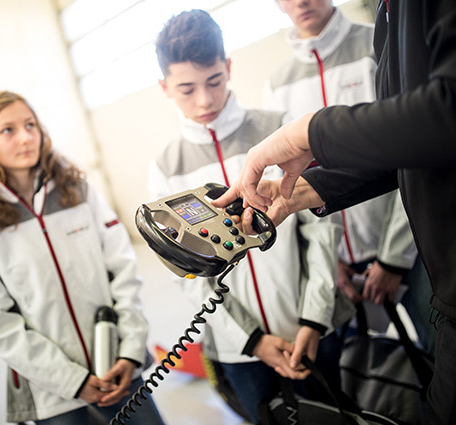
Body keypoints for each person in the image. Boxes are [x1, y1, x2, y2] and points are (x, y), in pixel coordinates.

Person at [212, 1, 456, 424]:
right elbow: (400, 150)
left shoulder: (378, 32)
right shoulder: (389, 18)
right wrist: (301, 193)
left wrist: (311, 132)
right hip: (455, 282)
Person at [150, 10, 351, 423]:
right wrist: (253, 340)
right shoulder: (166, 168)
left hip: (312, 332)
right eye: (187, 89)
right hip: (240, 350)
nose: (204, 100)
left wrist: (313, 318)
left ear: (228, 68)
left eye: (213, 81)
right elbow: (185, 273)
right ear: (164, 87)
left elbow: (321, 229)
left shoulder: (279, 130)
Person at [0, 91, 165, 425]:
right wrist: (72, 381)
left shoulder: (78, 192)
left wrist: (130, 351)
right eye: (8, 130)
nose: (26, 137)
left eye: (31, 125)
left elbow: (123, 269)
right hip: (53, 392)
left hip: (119, 367)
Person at [264, 0, 434, 354]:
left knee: (442, 356)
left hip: (412, 250)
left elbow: (412, 154)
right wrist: (331, 262)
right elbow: (289, 182)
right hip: (340, 269)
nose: (301, 1)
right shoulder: (277, 84)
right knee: (366, 371)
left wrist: (393, 259)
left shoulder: (379, 46)